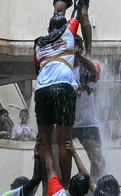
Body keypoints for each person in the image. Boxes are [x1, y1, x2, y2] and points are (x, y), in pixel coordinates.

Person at [33, 12, 84, 181]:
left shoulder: (39, 44)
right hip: (63, 87)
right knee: (64, 142)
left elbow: (37, 68)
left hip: (42, 89)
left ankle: (51, 182)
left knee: (46, 142)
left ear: (48, 29)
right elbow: (77, 8)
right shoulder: (69, 33)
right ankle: (66, 187)